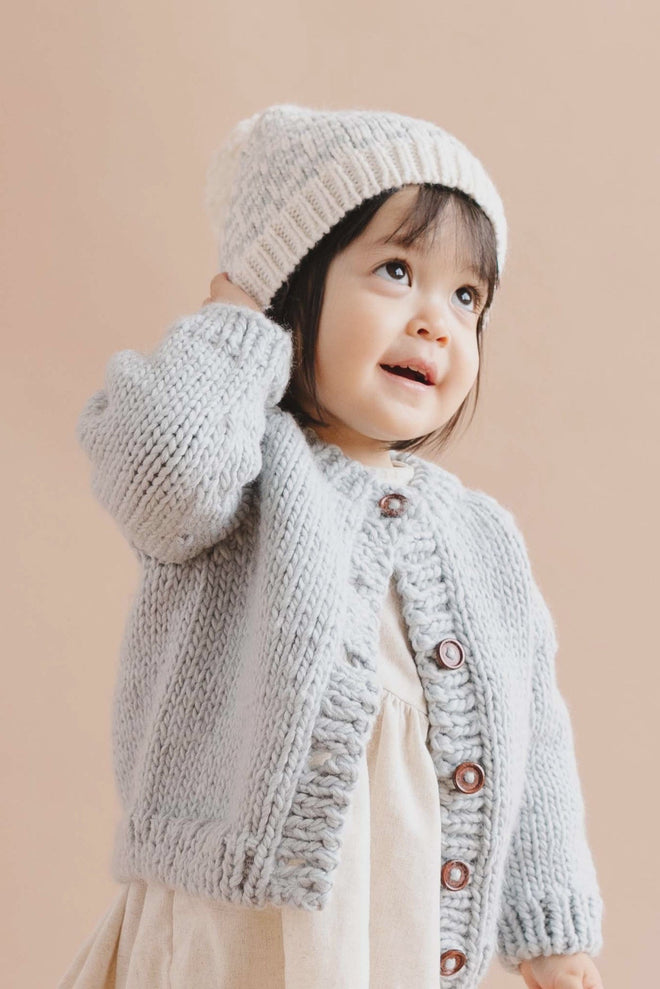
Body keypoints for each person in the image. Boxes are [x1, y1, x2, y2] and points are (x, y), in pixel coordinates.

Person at [57, 104, 605, 989]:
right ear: (291, 280)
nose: (437, 320)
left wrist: (551, 928)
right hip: (235, 932)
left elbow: (534, 739)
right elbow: (161, 471)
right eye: (397, 270)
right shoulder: (243, 472)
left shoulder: (481, 538)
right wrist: (237, 318)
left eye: (467, 297)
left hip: (402, 936)